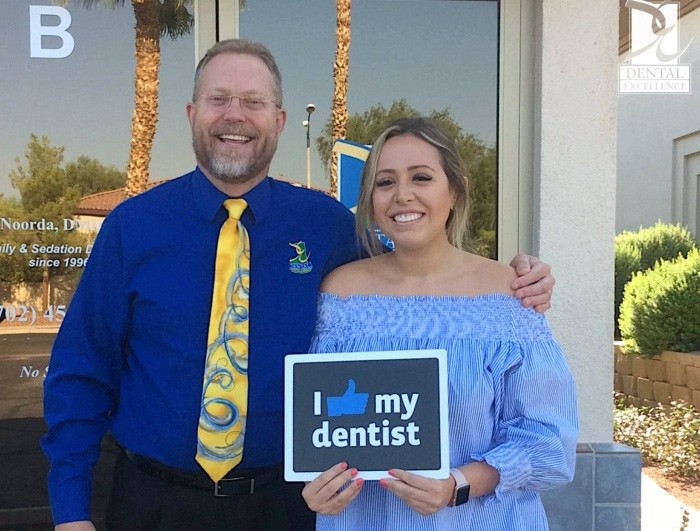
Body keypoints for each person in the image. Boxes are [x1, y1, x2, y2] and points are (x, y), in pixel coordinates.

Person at [42, 40, 555, 531]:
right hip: (155, 503)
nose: (235, 115)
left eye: (254, 102)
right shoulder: (132, 228)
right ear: (192, 113)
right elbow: (82, 370)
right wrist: (70, 508)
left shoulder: (328, 227)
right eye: (218, 99)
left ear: (280, 120)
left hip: (291, 508)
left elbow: (417, 266)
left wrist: (516, 281)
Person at [302, 117, 578, 531]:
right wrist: (316, 482)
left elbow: (548, 440)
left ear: (455, 190)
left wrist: (457, 485)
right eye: (385, 182)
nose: (403, 195)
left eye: (422, 177)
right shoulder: (340, 296)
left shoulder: (509, 294)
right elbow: (319, 424)